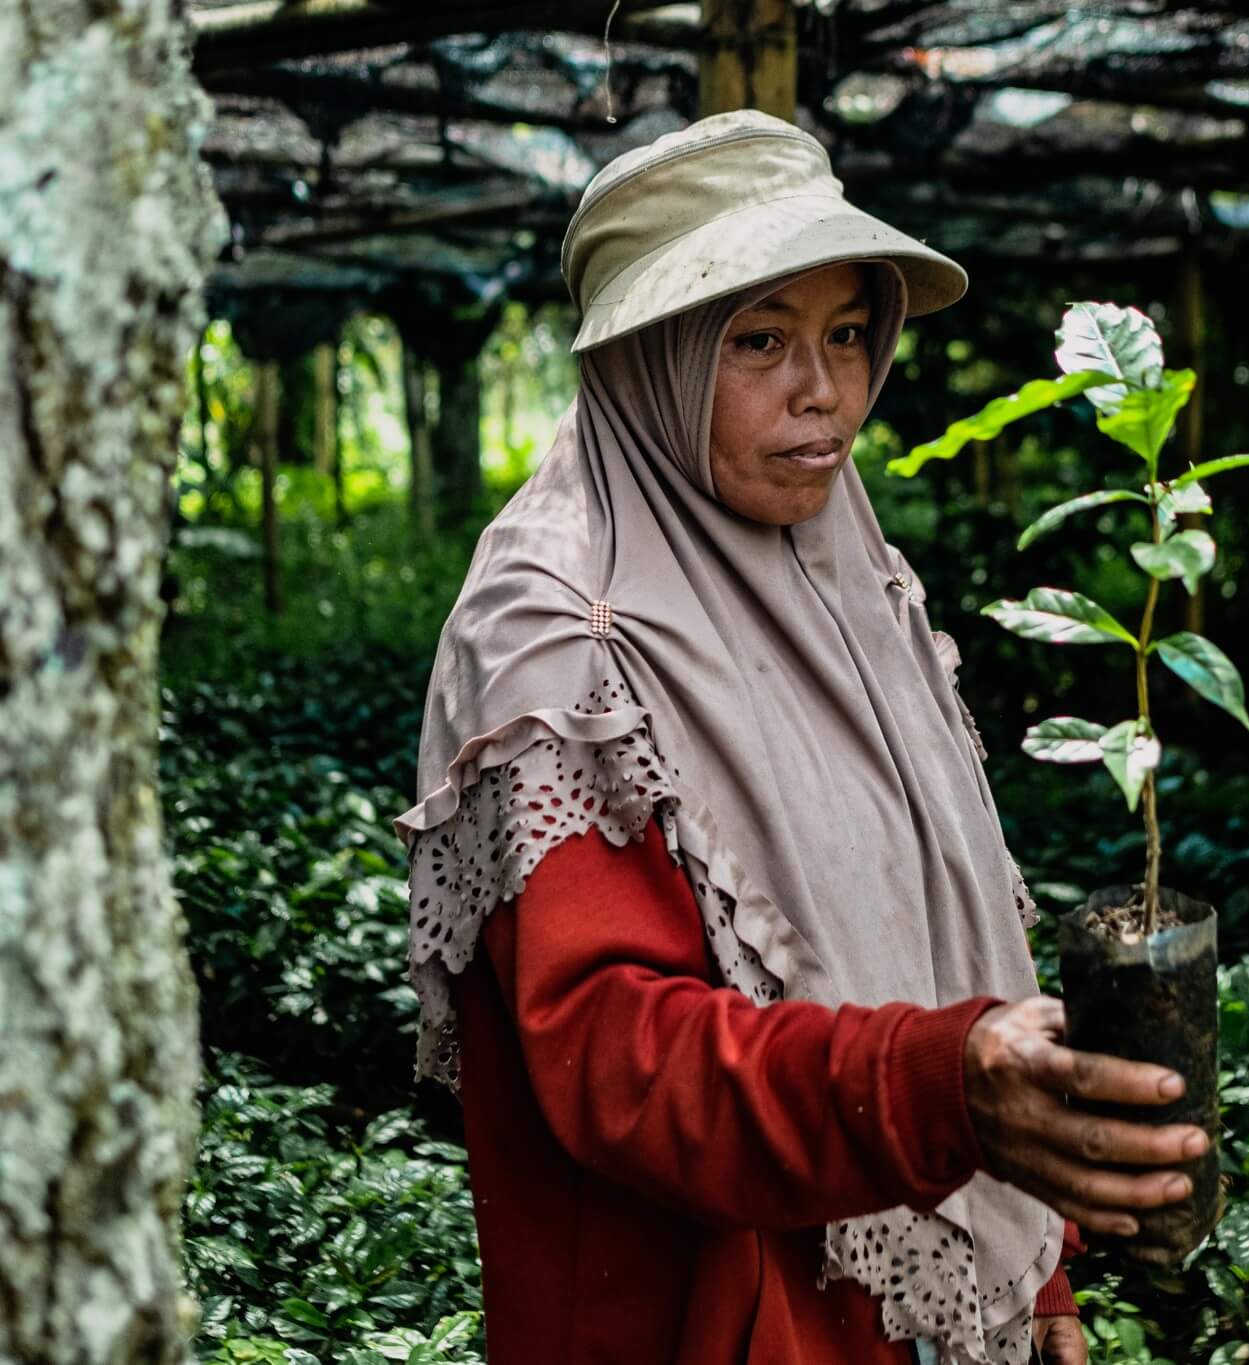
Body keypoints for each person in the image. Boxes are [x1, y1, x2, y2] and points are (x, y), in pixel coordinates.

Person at [391, 110, 1207, 1365]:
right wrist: (936, 1089)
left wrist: (1033, 1274)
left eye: (845, 334)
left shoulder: (847, 575)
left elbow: (941, 922)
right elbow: (615, 1056)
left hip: (899, 1290)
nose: (824, 391)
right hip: (706, 1315)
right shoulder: (557, 638)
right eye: (759, 341)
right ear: (646, 364)